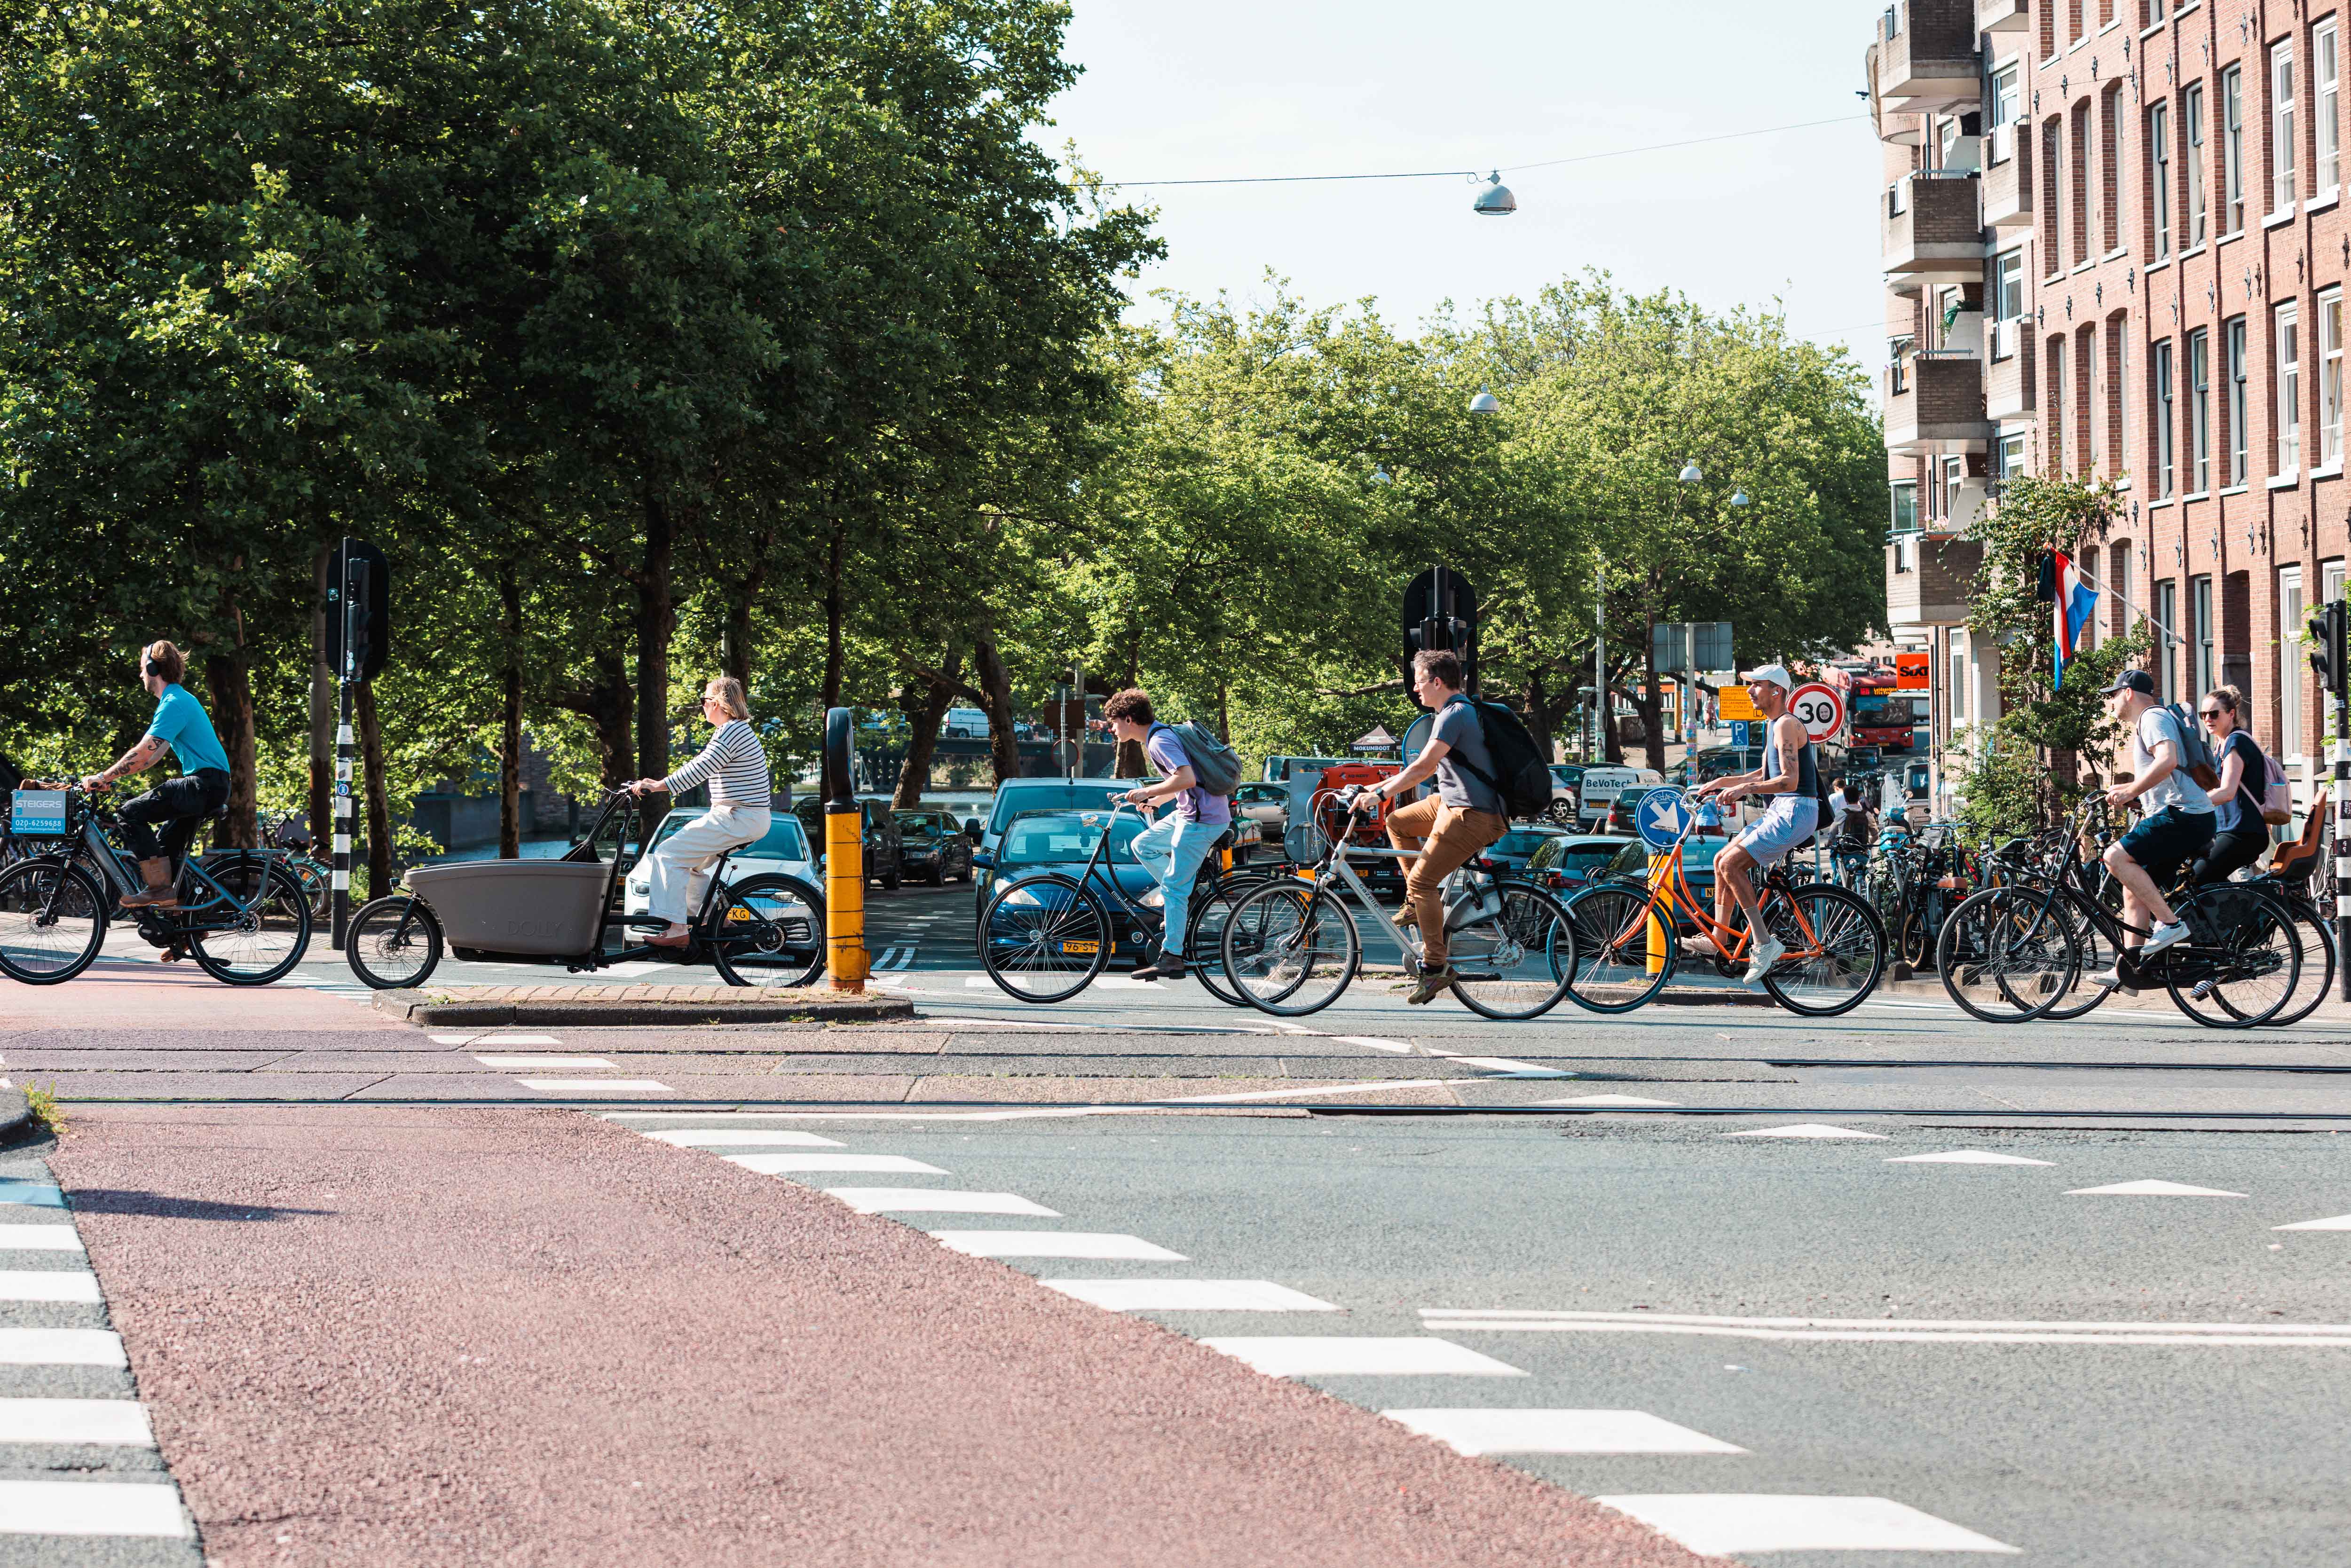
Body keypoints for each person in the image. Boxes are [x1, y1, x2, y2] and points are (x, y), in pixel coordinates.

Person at [1370, 650, 1510, 1005]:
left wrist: (1380, 792)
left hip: (1473, 814)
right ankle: (1416, 904)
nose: (1415, 689)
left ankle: (1435, 967)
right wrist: (1375, 792)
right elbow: (1426, 769)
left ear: (1436, 681)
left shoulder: (1456, 714)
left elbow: (1423, 767)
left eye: (1418, 682)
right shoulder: (1449, 714)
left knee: (1423, 880)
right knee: (1397, 821)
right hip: (1450, 804)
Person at [62, 641, 233, 909]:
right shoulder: (179, 700)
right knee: (166, 852)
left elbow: (142, 754)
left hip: (204, 784)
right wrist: (112, 778)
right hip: (211, 785)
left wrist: (103, 777)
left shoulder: (174, 703)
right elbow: (152, 758)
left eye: (142, 668)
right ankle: (186, 929)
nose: (141, 675)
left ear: (154, 669)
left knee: (129, 813)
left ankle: (160, 890)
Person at [1688, 664, 1817, 985]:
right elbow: (1761, 776)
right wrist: (1721, 781)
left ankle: (1763, 942)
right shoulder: (1774, 725)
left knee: (1732, 864)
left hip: (1795, 809)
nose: (1749, 691)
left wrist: (1743, 791)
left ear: (1777, 690)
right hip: (1783, 809)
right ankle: (1720, 938)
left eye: (1757, 685)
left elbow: (1789, 780)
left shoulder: (1787, 724)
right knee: (1721, 860)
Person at [624, 677, 771, 948]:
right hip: (743, 817)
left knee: (667, 854)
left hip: (738, 816)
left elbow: (703, 766)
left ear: (717, 704)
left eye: (704, 701)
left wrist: (657, 786)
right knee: (687, 864)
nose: (702, 707)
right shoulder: (737, 731)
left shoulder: (732, 731)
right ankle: (719, 921)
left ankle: (677, 929)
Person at [2089, 668, 2213, 985]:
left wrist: (2132, 790)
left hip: (2184, 815)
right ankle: (2128, 971)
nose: (2111, 703)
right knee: (2134, 891)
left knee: (2114, 857)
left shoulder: (2152, 718)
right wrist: (2134, 797)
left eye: (2113, 696)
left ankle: (2171, 925)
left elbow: (2168, 760)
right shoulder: (2153, 719)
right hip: (2185, 815)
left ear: (2128, 693)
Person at [1106, 689, 1229, 983]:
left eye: (1114, 723)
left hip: (1202, 820)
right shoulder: (1161, 735)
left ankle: (1172, 957)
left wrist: (1146, 791)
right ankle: (1185, 898)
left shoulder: (1160, 740)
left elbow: (1185, 777)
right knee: (1144, 844)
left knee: (1174, 887)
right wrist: (1159, 801)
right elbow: (1184, 783)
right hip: (1193, 813)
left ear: (1129, 719)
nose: (1112, 729)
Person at [2191, 686, 2271, 885]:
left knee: (2195, 880)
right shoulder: (2222, 745)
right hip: (2231, 830)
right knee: (2209, 883)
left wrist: (2188, 805)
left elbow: (2227, 792)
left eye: (2214, 713)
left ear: (2231, 714)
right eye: (2204, 714)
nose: (2208, 719)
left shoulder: (2236, 742)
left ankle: (2247, 914)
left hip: (2243, 833)